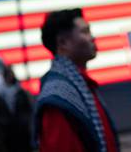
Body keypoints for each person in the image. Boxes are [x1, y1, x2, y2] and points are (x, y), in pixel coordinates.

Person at [34, 8, 119, 152]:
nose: (92, 37)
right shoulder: (57, 96)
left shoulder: (79, 85)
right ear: (62, 43)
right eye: (85, 32)